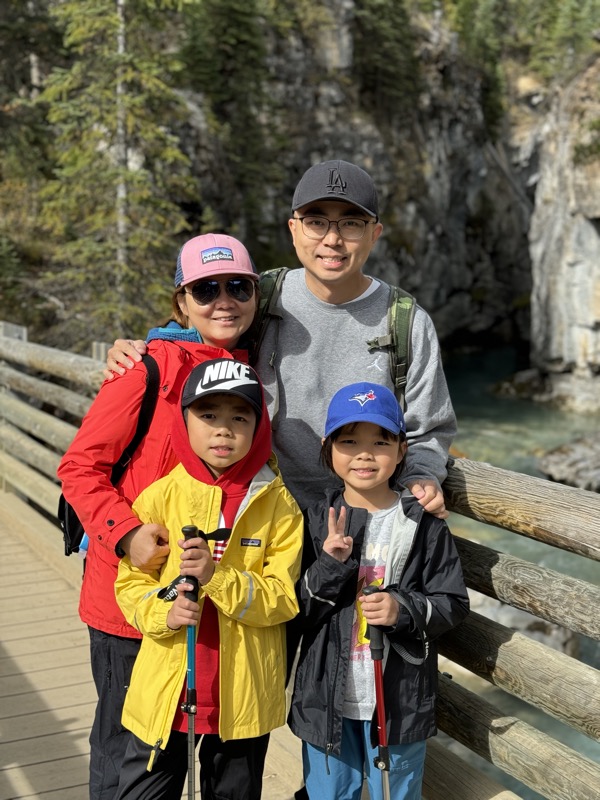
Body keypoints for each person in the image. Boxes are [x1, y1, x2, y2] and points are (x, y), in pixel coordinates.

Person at [105, 159, 456, 520]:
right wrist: (143, 348)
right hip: (262, 515)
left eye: (351, 223)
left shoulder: (407, 322)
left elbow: (430, 427)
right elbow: (202, 332)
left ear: (374, 233)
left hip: (363, 518)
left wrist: (421, 475)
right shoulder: (262, 297)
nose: (332, 239)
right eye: (316, 222)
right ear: (293, 229)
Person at [57, 233, 261, 800]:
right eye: (205, 290)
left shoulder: (254, 367)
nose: (224, 300)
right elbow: (79, 467)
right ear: (181, 303)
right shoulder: (148, 369)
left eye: (238, 287)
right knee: (127, 754)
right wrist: (124, 537)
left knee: (191, 757)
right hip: (130, 597)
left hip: (208, 603)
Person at [113, 357, 303, 799]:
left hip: (243, 698)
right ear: (184, 421)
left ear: (259, 426)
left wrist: (216, 577)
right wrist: (167, 611)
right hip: (166, 692)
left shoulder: (279, 505)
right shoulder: (160, 496)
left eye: (240, 417)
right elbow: (130, 584)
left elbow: (281, 599)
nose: (224, 430)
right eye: (209, 416)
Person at [288, 381, 469, 800]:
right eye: (349, 441)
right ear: (327, 447)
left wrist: (402, 610)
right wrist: (331, 567)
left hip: (399, 700)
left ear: (403, 449)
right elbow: (296, 608)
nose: (365, 454)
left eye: (380, 441)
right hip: (326, 701)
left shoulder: (423, 523)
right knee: (329, 793)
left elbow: (452, 602)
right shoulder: (316, 519)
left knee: (398, 794)